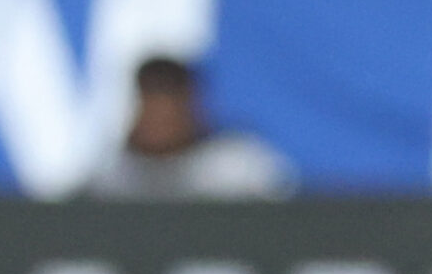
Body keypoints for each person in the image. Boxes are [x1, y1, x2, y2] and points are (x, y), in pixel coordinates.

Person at [86, 56, 294, 199]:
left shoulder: (238, 168)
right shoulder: (111, 174)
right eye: (148, 106)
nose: (156, 122)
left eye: (166, 112)